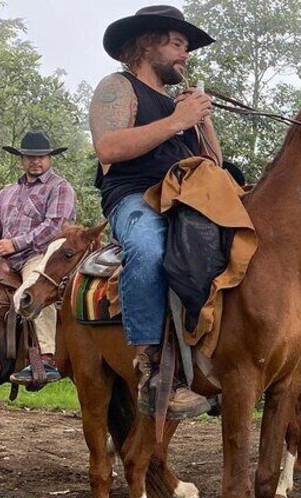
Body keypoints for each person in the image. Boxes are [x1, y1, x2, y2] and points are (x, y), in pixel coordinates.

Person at [88, 5, 221, 419]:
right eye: (178, 44)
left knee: (250, 243)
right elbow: (108, 149)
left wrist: (201, 119)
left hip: (190, 197)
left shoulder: (179, 105)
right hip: (135, 197)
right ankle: (151, 370)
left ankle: (252, 355)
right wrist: (176, 120)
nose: (186, 54)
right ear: (148, 43)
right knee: (147, 249)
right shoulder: (118, 87)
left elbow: (214, 163)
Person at [0, 131, 76, 387]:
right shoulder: (8, 192)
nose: (35, 162)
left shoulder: (60, 188)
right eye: (29, 157)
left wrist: (14, 244)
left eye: (41, 157)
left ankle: (47, 357)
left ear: (50, 158)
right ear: (21, 159)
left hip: (41, 255)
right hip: (3, 258)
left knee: (38, 288)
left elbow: (54, 226)